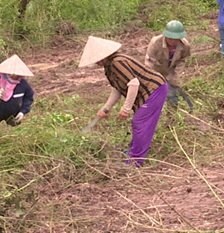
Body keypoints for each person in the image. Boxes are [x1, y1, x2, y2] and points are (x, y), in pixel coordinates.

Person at [79, 36, 167, 167]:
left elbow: (133, 83)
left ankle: (135, 161)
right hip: (147, 91)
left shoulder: (117, 62)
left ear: (103, 56)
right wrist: (106, 108)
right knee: (140, 122)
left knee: (140, 122)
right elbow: (118, 88)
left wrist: (126, 108)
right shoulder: (109, 67)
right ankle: (134, 152)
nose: (96, 62)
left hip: (154, 88)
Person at [0, 55, 34, 142]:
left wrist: (23, 111)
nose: (13, 75)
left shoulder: (23, 84)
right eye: (11, 72)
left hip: (11, 112)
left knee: (14, 136)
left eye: (16, 73)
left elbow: (29, 97)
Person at [145, 20, 191, 108]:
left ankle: (172, 114)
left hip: (171, 71)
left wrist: (176, 76)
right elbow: (149, 61)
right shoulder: (155, 42)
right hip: (155, 69)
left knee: (172, 94)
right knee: (153, 95)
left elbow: (182, 60)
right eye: (170, 38)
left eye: (176, 39)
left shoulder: (185, 45)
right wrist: (151, 78)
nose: (173, 41)